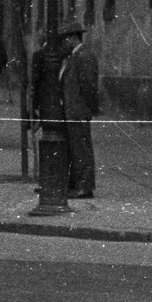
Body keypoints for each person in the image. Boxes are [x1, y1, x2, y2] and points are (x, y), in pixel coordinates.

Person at [60, 20, 100, 199]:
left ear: (73, 38)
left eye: (65, 39)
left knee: (82, 149)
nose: (63, 43)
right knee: (77, 149)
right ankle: (79, 184)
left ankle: (85, 186)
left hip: (79, 110)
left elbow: (89, 86)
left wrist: (88, 108)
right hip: (73, 110)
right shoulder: (75, 56)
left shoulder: (84, 56)